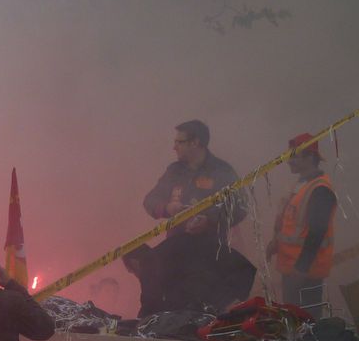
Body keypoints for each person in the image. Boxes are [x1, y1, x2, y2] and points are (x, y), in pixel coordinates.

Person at [133, 119, 255, 315]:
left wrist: (209, 220)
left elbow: (239, 208)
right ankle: (150, 322)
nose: (174, 147)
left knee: (204, 305)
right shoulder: (174, 171)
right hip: (176, 250)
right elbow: (150, 200)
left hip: (209, 253)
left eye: (179, 142)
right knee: (148, 265)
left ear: (195, 143)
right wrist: (167, 208)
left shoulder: (222, 171)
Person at [266, 133, 338, 317]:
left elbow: (317, 231)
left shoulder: (320, 189)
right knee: (293, 319)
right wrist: (276, 242)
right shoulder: (302, 184)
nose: (288, 161)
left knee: (306, 321)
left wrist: (301, 268)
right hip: (293, 269)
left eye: (294, 157)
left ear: (310, 157)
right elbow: (291, 222)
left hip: (306, 273)